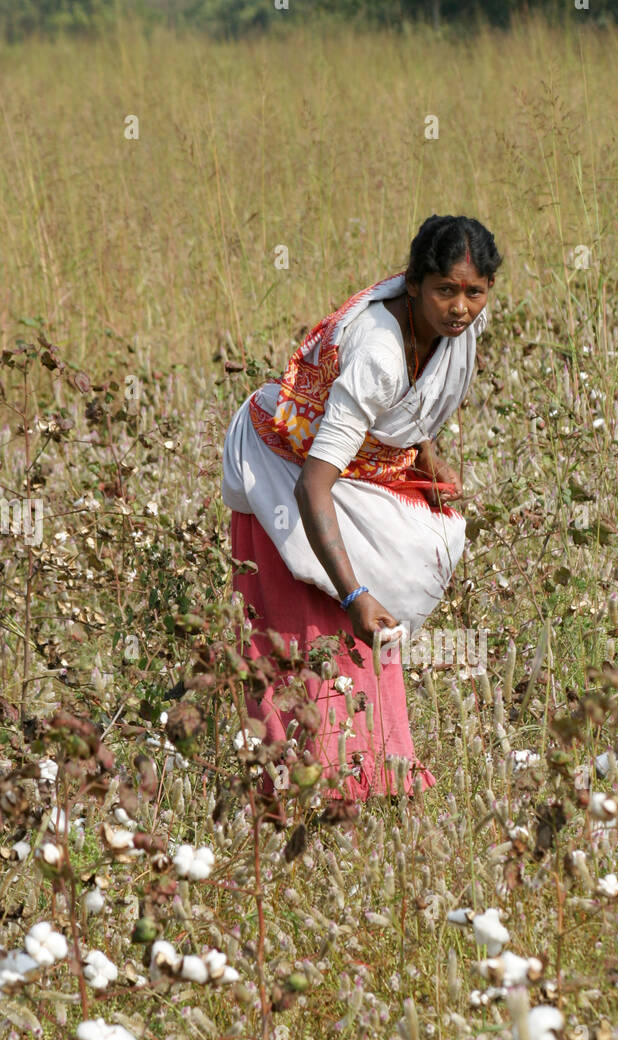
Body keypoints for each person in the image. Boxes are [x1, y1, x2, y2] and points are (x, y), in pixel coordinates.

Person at [222, 214, 501, 805]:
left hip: (349, 473)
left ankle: (370, 785)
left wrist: (425, 451)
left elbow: (415, 400)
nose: (460, 307)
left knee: (369, 641)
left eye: (474, 292)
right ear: (415, 284)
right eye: (445, 291)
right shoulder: (377, 349)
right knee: (313, 641)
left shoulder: (454, 329)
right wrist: (353, 593)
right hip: (284, 471)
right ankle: (301, 798)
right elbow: (313, 487)